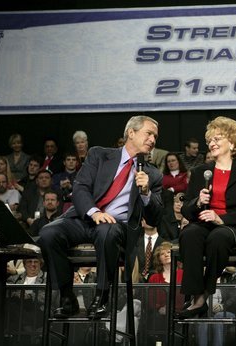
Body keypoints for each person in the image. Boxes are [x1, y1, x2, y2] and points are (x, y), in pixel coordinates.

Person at [37, 115, 163, 319]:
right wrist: (95, 212)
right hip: (85, 218)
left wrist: (146, 192)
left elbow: (156, 217)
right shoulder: (99, 154)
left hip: (117, 226)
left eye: (155, 136)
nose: (153, 139)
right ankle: (67, 298)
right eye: (149, 133)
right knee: (48, 233)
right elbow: (80, 188)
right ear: (131, 133)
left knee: (107, 230)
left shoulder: (153, 175)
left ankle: (101, 297)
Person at [177, 116, 236, 319]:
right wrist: (198, 201)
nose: (211, 143)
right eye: (210, 140)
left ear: (232, 143)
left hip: (233, 227)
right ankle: (194, 295)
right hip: (203, 223)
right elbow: (187, 211)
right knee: (189, 234)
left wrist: (222, 219)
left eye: (217, 139)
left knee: (218, 237)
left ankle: (202, 297)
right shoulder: (200, 172)